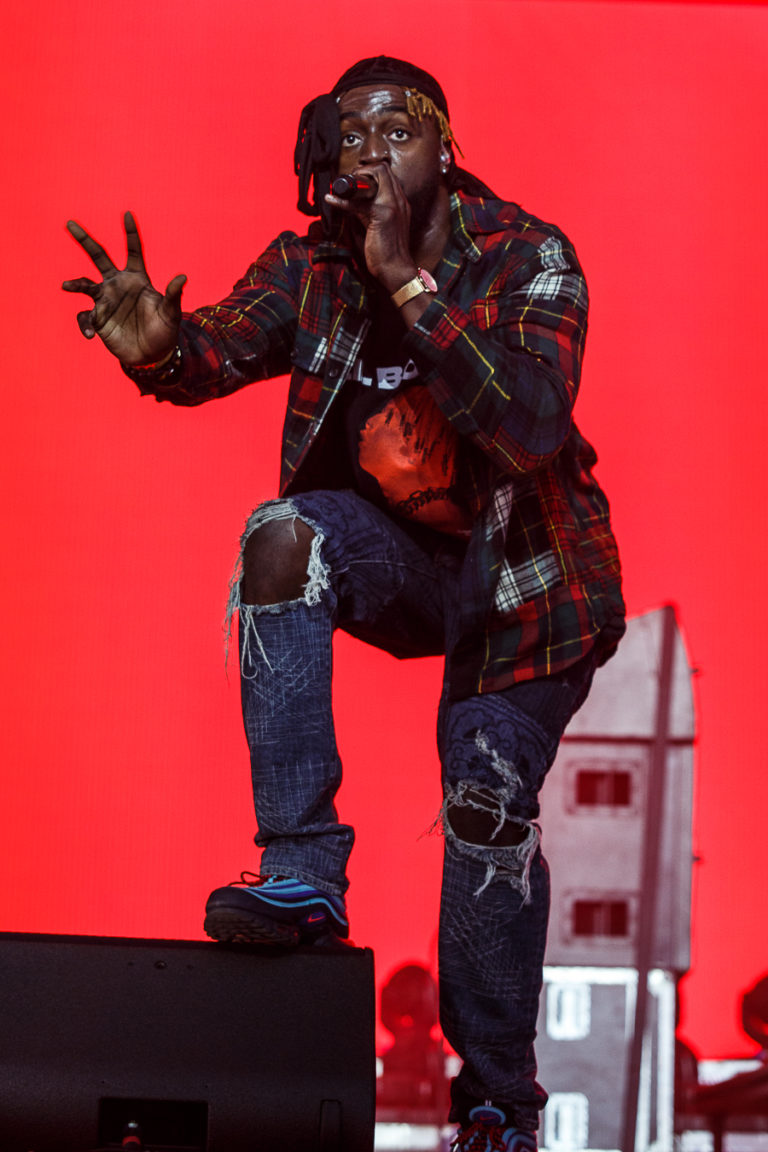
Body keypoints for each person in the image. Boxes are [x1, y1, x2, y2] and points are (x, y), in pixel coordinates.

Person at [63, 55, 625, 1152]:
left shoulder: (528, 254)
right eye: (351, 136)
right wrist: (164, 351)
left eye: (395, 132)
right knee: (281, 538)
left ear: (445, 147)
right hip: (405, 569)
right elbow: (218, 345)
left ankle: (497, 1106)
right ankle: (303, 874)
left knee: (485, 797)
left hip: (529, 586)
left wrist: (410, 286)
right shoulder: (314, 262)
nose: (371, 155)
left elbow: (527, 428)